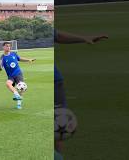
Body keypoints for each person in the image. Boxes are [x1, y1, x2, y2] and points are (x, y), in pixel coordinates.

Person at [54, 30, 108, 160]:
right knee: (57, 124)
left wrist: (84, 38)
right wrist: (84, 38)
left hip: (50, 81)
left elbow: (57, 36)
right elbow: (57, 36)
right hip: (53, 80)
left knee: (57, 124)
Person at [0, 42, 36, 109]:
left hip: (18, 73)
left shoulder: (13, 54)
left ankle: (19, 104)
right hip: (10, 75)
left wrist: (28, 60)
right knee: (8, 84)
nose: (8, 47)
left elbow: (20, 59)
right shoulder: (2, 57)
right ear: (3, 47)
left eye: (9, 46)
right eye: (7, 46)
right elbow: (0, 68)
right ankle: (16, 95)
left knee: (21, 87)